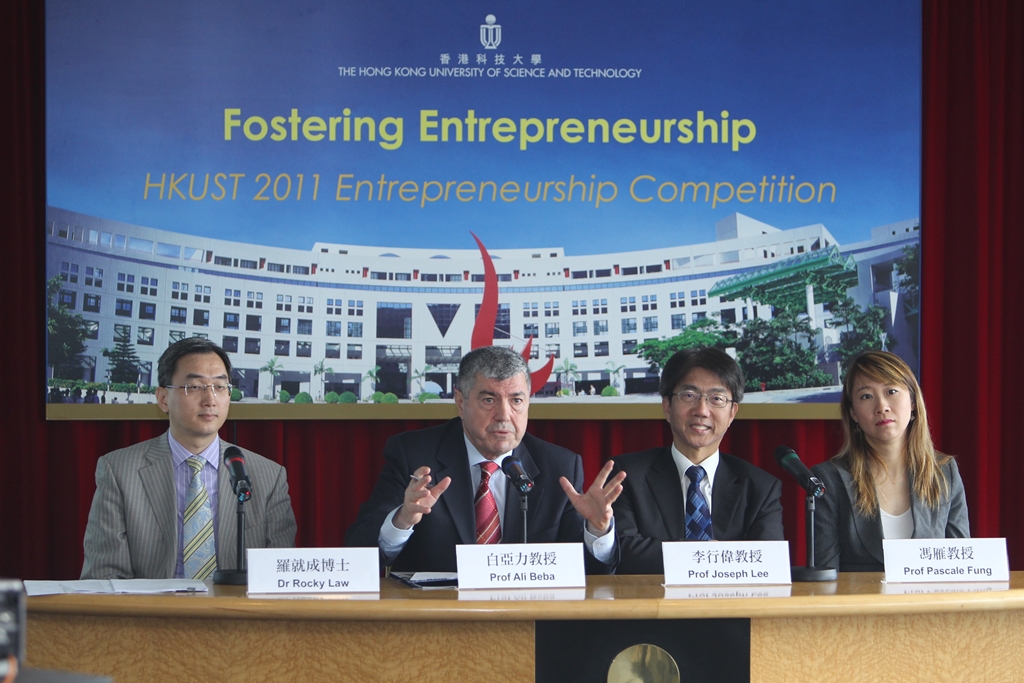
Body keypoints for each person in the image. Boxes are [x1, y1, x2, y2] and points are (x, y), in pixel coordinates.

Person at [345, 345, 625, 573]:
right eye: (489, 400)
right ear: (460, 402)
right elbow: (360, 549)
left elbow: (590, 575)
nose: (504, 415)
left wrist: (598, 531)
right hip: (436, 623)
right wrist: (403, 519)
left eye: (516, 401)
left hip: (529, 624)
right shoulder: (414, 455)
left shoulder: (559, 467)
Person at [81, 338, 297, 580]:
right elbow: (104, 578)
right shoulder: (119, 471)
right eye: (194, 387)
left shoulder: (268, 476)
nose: (210, 399)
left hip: (237, 615)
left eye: (220, 387)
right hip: (153, 615)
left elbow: (281, 577)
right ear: (163, 398)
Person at [612, 347, 784, 574]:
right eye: (689, 396)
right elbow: (621, 553)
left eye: (716, 399)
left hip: (730, 608)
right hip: (654, 606)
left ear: (732, 412)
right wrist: (705, 556)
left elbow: (767, 564)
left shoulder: (760, 487)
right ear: (667, 406)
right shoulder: (628, 475)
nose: (702, 410)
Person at [811, 351, 969, 572]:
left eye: (891, 391)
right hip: (860, 605)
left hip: (929, 605)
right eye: (866, 396)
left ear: (913, 401)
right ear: (853, 413)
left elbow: (961, 568)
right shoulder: (829, 478)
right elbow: (826, 577)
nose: (882, 406)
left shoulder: (944, 472)